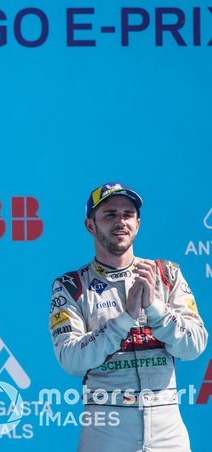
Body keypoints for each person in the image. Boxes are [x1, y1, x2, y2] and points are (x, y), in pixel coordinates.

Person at [50, 182, 207, 451]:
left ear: (138, 223)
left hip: (168, 436)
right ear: (90, 225)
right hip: (106, 434)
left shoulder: (166, 275)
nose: (121, 222)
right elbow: (72, 360)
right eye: (110, 214)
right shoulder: (71, 286)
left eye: (128, 214)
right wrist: (124, 320)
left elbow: (194, 346)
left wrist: (156, 309)